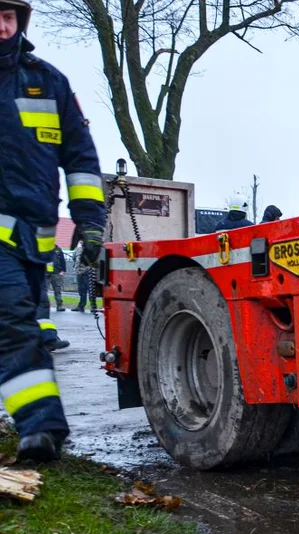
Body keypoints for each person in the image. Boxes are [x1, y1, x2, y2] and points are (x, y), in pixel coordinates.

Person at [0, 0, 106, 461]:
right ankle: (41, 428)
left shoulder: (48, 82)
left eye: (8, 16)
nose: (2, 26)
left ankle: (41, 426)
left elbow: (81, 157)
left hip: (35, 240)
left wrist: (91, 222)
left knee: (22, 324)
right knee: (13, 325)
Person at [75, 243, 96, 313]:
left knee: (90, 290)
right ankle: (81, 305)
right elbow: (75, 258)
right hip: (79, 272)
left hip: (87, 272)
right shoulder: (78, 249)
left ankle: (93, 306)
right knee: (81, 290)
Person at [48, 244, 65, 310]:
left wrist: (63, 270)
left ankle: (59, 305)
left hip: (56, 273)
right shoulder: (44, 248)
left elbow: (62, 260)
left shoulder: (58, 249)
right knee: (44, 291)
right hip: (46, 274)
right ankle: (44, 306)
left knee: (58, 290)